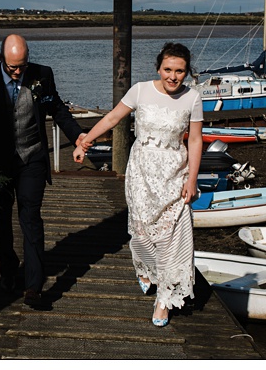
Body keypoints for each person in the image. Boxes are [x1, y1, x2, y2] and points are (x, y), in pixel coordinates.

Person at [72, 42, 203, 327]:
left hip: (175, 175)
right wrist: (86, 140)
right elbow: (112, 118)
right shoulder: (141, 90)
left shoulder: (192, 98)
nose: (173, 76)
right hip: (141, 175)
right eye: (168, 69)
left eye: (179, 71)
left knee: (172, 241)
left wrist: (192, 179)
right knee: (142, 236)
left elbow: (194, 140)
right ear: (158, 67)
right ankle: (147, 271)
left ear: (186, 72)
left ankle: (164, 301)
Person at [0, 34, 84, 308]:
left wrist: (78, 137)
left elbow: (56, 108)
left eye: (22, 66)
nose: (17, 72)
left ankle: (33, 286)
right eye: (12, 67)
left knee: (31, 216)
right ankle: (8, 266)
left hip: (31, 157)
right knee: (0, 221)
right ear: (1, 59)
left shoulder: (42, 74)